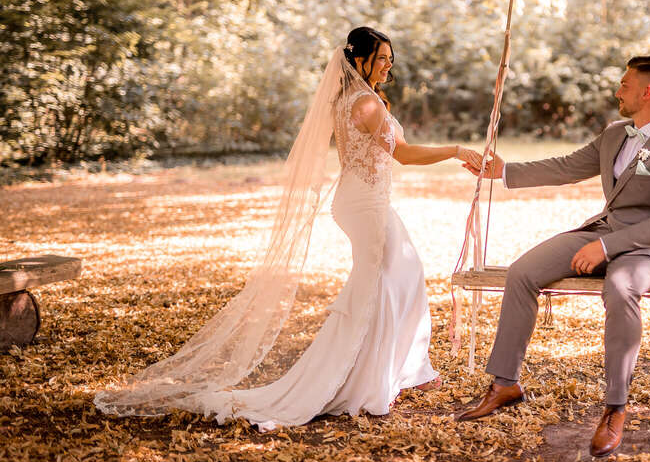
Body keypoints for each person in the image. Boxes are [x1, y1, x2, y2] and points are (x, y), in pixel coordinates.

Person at [95, 26, 482, 429]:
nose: (388, 65)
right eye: (382, 58)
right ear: (361, 60)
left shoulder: (352, 98)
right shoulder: (365, 103)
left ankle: (399, 371)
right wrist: (457, 150)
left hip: (363, 200)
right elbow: (402, 154)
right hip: (365, 204)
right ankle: (364, 379)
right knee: (382, 283)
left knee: (399, 276)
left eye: (390, 58)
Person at [457, 56, 650, 457]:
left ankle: (615, 408)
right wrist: (504, 173)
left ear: (647, 92)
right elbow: (568, 166)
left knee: (620, 287)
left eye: (624, 85)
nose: (616, 91)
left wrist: (605, 248)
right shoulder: (614, 134)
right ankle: (505, 384)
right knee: (522, 272)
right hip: (604, 230)